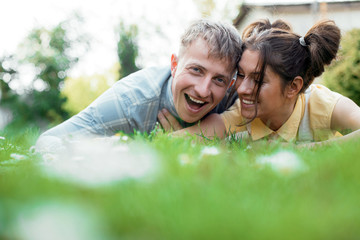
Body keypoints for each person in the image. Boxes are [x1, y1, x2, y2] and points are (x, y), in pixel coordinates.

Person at [36, 19, 242, 152]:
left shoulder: (235, 97)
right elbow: (46, 143)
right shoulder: (129, 101)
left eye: (219, 80)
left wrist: (194, 139)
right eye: (196, 70)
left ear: (230, 83)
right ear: (174, 65)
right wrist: (138, 150)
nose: (204, 90)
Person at [164, 19, 360, 146]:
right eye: (241, 75)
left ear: (293, 87)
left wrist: (304, 151)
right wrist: (177, 138)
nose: (242, 89)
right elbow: (185, 139)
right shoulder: (242, 114)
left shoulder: (321, 104)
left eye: (258, 80)